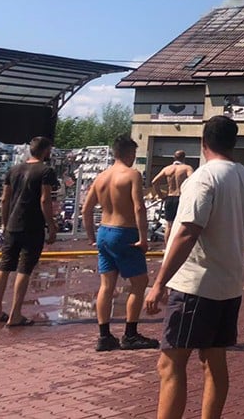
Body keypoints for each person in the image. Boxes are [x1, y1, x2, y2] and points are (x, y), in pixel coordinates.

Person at [144, 116, 244, 419]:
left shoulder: (203, 178)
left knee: (170, 364)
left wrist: (158, 284)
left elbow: (186, 232)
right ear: (234, 142)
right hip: (229, 285)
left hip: (196, 286)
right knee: (214, 361)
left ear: (203, 142)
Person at [83, 135, 159, 351]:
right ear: (130, 154)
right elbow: (138, 207)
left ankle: (104, 336)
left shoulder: (101, 177)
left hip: (104, 232)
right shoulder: (132, 174)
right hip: (124, 232)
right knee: (139, 283)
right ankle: (130, 334)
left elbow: (86, 210)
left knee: (106, 286)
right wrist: (143, 237)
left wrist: (91, 237)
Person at [0, 136, 58, 327]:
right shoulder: (45, 171)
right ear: (45, 151)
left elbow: (4, 199)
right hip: (32, 226)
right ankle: (15, 314)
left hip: (12, 225)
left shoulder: (14, 169)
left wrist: (5, 224)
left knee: (4, 266)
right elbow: (45, 200)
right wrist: (51, 225)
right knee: (24, 268)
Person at [151, 151, 195, 242]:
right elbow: (193, 181)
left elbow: (154, 182)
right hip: (181, 197)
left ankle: (167, 248)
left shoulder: (167, 169)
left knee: (169, 225)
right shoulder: (187, 168)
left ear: (174, 158)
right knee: (181, 225)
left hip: (170, 197)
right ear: (184, 158)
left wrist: (161, 195)